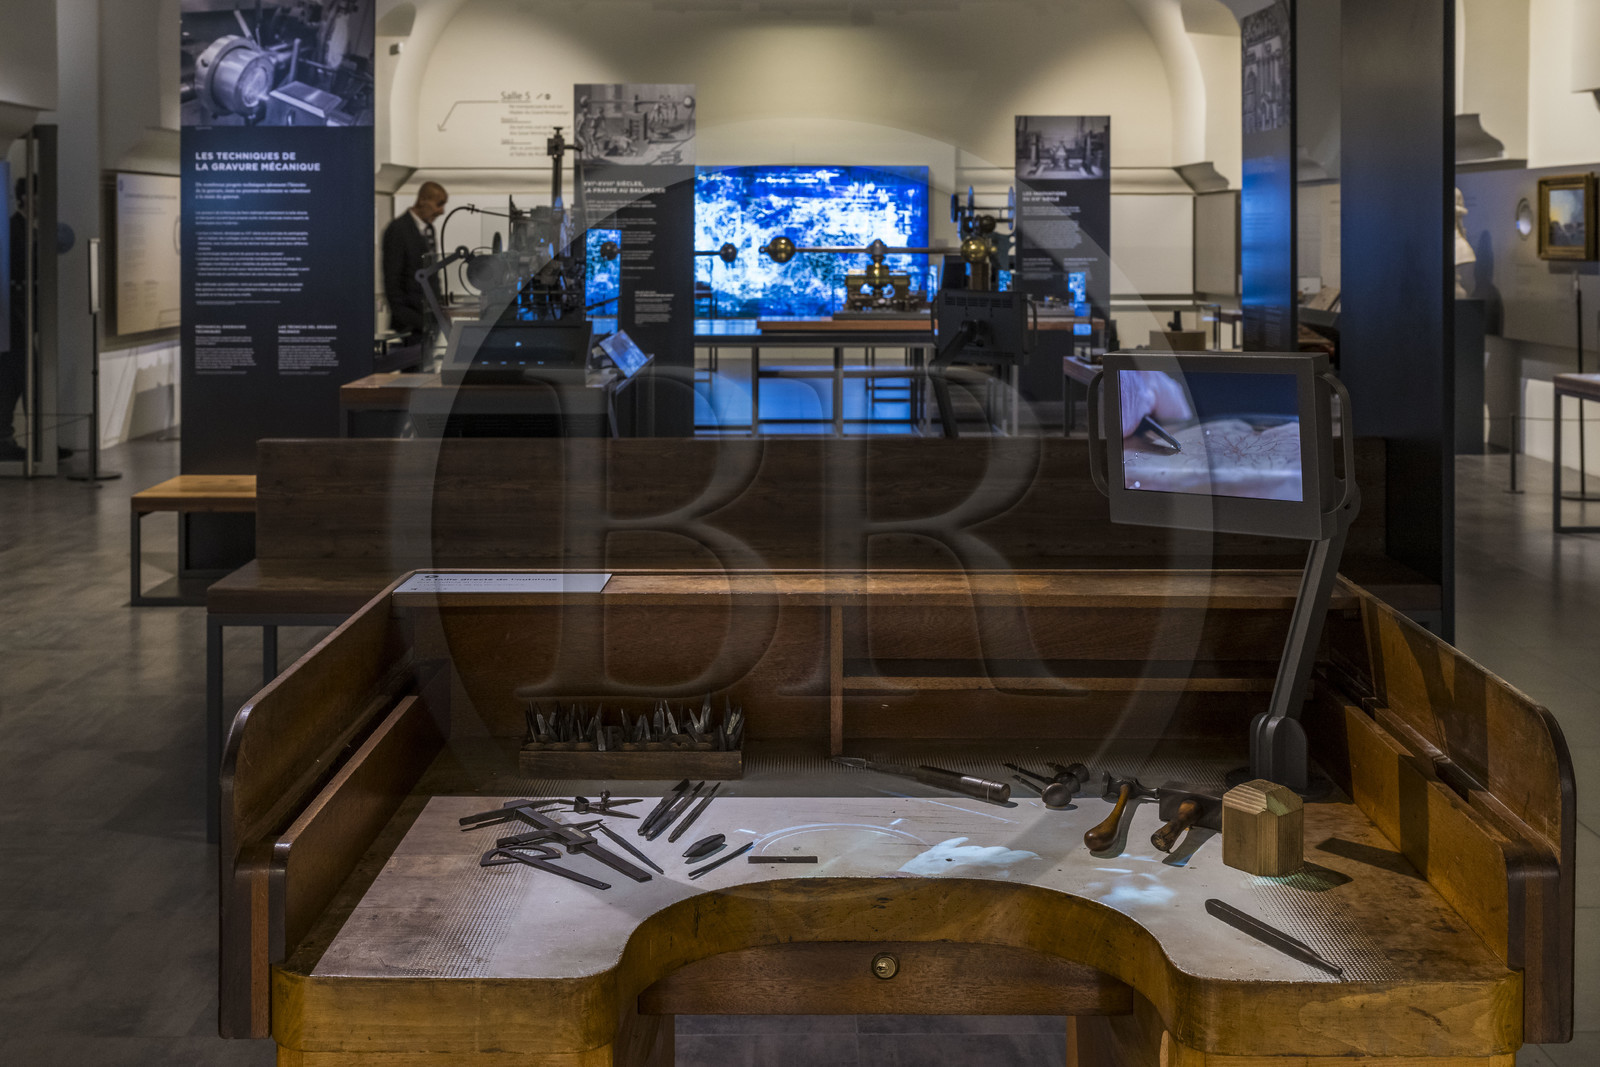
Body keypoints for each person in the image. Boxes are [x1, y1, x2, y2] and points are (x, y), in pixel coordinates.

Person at [382, 181, 448, 339]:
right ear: (423, 200)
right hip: (410, 328)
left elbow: (433, 274)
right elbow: (393, 283)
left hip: (429, 323)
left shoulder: (429, 229)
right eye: (439, 204)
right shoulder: (398, 230)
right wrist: (414, 322)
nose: (441, 211)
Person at [2, 179, 31, 462]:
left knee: (26, 379)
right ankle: (5, 439)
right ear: (24, 197)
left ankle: (41, 441)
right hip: (13, 320)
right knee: (12, 381)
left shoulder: (27, 230)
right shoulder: (13, 230)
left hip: (22, 319)